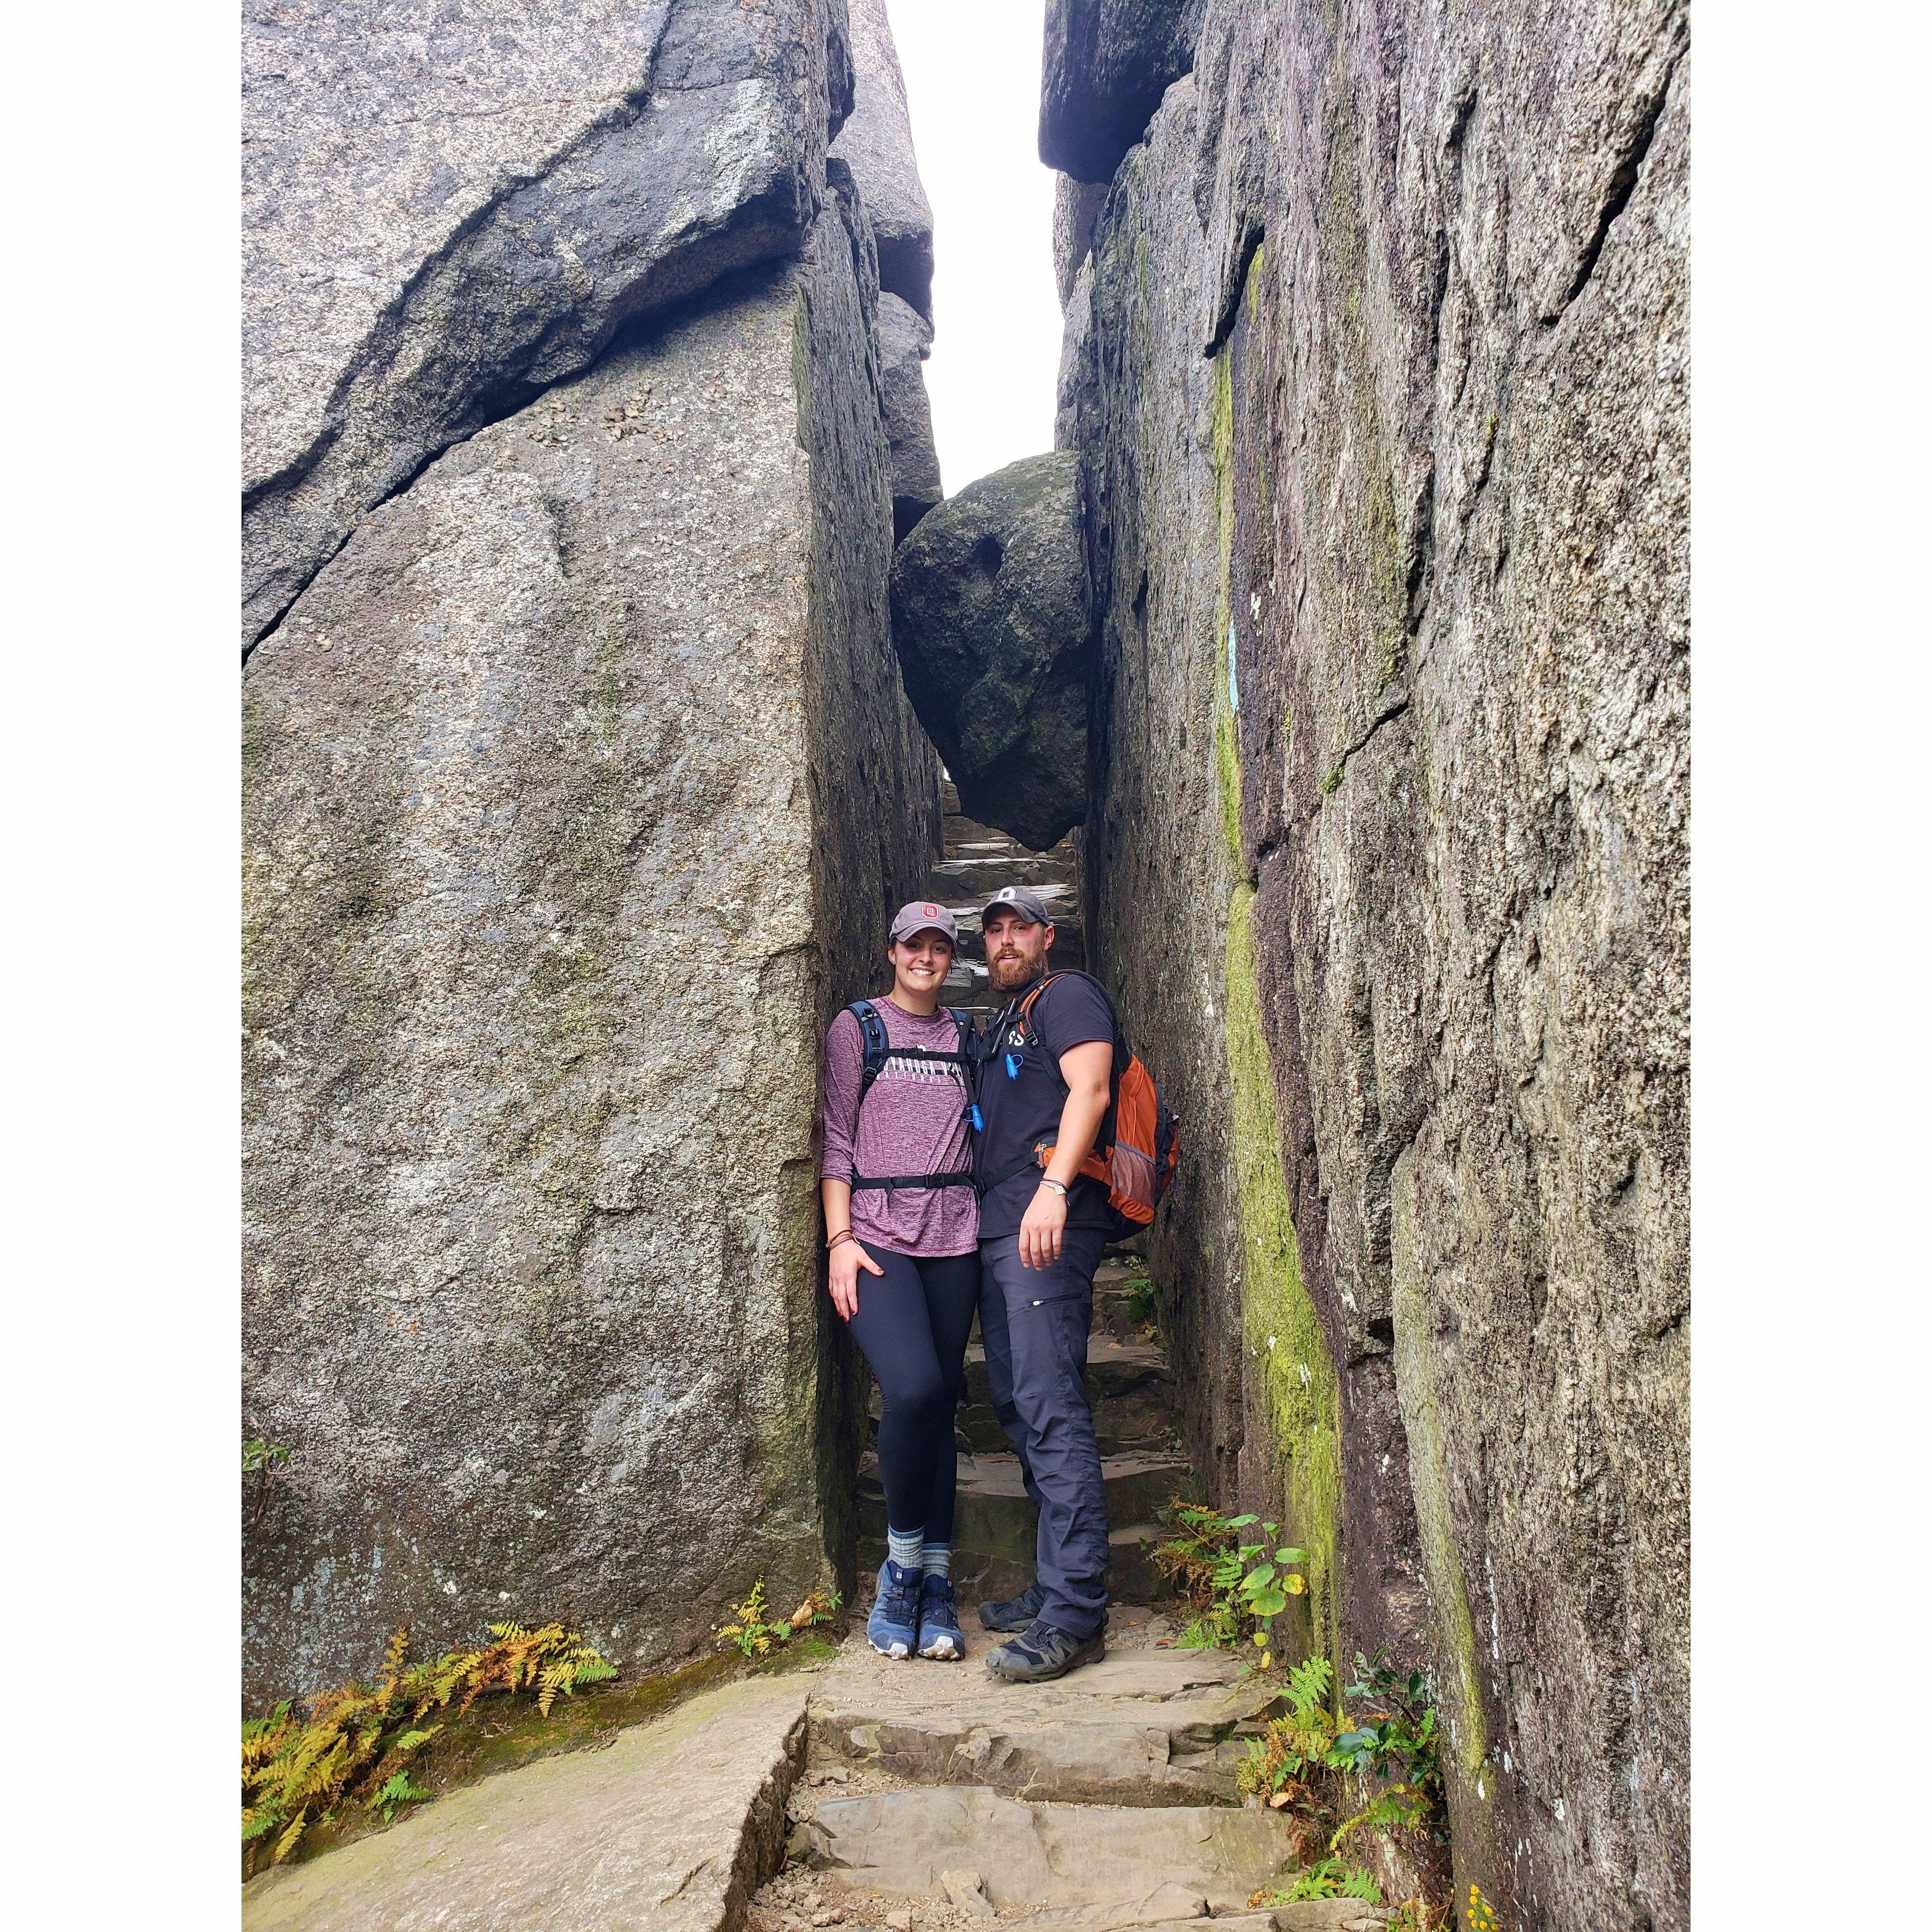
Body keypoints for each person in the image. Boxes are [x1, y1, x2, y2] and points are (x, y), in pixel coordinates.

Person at [820, 900, 981, 1661]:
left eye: (939, 947)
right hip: (879, 1239)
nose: (926, 957)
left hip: (956, 1239)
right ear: (892, 951)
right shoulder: (860, 1028)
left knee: (941, 1401)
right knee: (912, 1388)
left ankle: (937, 1585)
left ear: (952, 959)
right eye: (914, 945)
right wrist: (839, 1238)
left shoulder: (967, 1038)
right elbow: (837, 1142)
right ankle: (901, 1568)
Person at [971, 885, 1119, 1683]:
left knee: (1049, 1402)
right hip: (1002, 1231)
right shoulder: (1007, 1020)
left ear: (1047, 934)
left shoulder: (1067, 997)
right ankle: (1052, 1582)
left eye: (1017, 927)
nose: (1003, 940)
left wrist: (1055, 1190)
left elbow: (1091, 1091)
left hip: (1044, 1226)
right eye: (992, 931)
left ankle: (1074, 1615)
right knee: (1016, 1403)